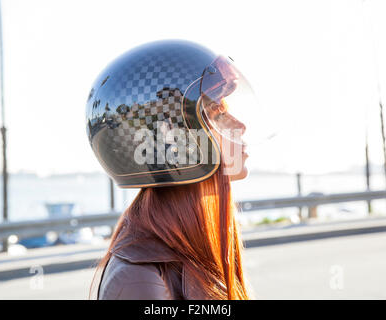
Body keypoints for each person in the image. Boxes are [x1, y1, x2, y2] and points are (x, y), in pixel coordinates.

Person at [86, 39, 259, 300]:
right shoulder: (140, 279)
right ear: (171, 136)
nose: (240, 126)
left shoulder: (189, 244)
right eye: (217, 113)